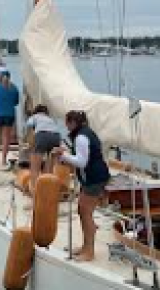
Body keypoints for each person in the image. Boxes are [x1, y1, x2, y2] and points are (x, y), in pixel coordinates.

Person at [56, 110, 110, 261]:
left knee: (85, 213)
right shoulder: (86, 133)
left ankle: (89, 252)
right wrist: (66, 153)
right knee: (82, 211)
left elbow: (81, 162)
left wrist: (63, 156)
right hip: (94, 177)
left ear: (73, 123)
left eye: (67, 123)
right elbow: (83, 155)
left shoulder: (80, 137)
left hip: (94, 179)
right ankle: (85, 246)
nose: (66, 126)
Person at [25, 104, 63, 188]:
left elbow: (29, 127)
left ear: (35, 112)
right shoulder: (50, 119)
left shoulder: (34, 116)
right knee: (51, 164)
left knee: (35, 166)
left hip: (42, 135)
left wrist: (29, 145)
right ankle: (47, 186)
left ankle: (34, 189)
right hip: (56, 136)